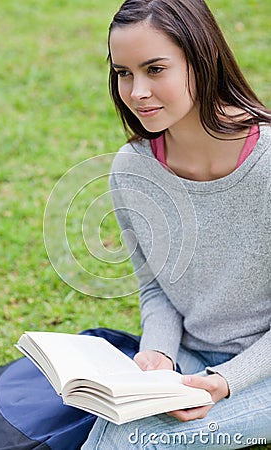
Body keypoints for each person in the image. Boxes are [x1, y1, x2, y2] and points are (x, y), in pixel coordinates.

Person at [82, 0, 271, 448]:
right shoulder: (132, 170)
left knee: (132, 441)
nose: (137, 91)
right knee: (112, 426)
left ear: (201, 60)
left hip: (261, 368)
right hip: (189, 358)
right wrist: (160, 353)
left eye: (155, 69)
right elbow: (156, 287)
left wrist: (225, 380)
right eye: (124, 72)